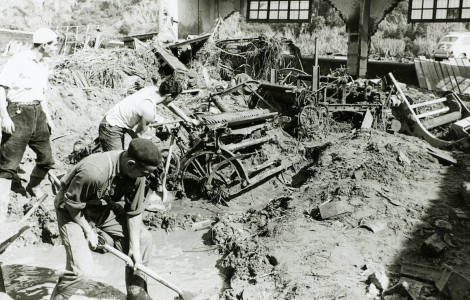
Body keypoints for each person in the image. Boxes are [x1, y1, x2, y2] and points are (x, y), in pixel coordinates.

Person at [50, 138, 161, 300]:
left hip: (100, 207)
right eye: (145, 173)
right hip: (71, 210)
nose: (146, 177)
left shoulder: (139, 173)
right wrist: (88, 231)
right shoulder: (95, 172)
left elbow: (134, 211)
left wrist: (134, 248)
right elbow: (72, 204)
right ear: (130, 164)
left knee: (143, 239)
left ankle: (137, 294)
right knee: (82, 271)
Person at [0, 28, 58, 223]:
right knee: (8, 165)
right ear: (44, 45)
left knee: (47, 159)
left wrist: (48, 117)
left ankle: (33, 185)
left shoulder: (44, 65)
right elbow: (2, 87)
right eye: (54, 44)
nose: (55, 48)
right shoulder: (19, 60)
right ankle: (2, 208)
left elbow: (41, 95)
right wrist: (4, 117)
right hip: (18, 112)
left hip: (37, 113)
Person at [99, 78, 199, 152]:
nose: (173, 100)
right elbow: (138, 135)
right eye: (174, 98)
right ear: (169, 96)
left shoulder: (152, 89)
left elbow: (169, 104)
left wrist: (187, 119)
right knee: (118, 164)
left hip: (115, 117)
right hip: (111, 128)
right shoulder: (149, 110)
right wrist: (151, 148)